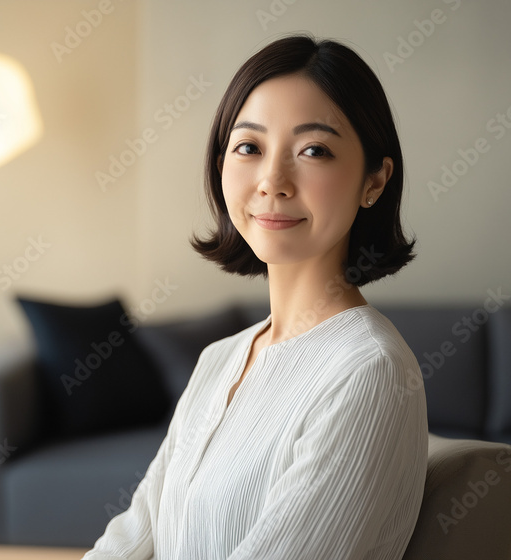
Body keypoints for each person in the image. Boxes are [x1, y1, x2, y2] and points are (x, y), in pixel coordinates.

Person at [82, 34, 427, 560]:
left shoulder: (368, 370)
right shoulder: (219, 359)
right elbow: (134, 536)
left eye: (314, 150)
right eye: (249, 147)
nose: (272, 180)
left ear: (374, 181)